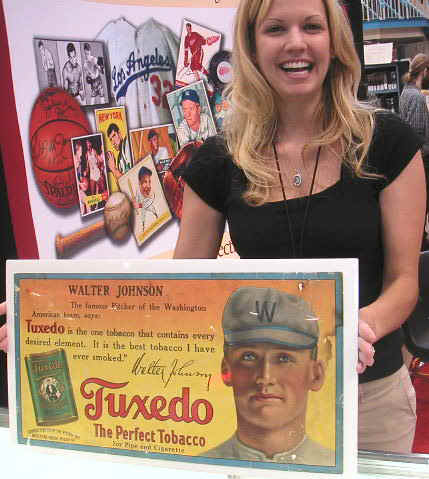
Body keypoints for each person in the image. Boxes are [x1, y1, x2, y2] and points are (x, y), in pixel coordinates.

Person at [174, 0, 426, 454]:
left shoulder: (386, 142)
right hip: (258, 402)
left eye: (312, 27)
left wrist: (357, 328)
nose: (296, 43)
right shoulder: (217, 160)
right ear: (252, 45)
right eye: (275, 29)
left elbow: (404, 282)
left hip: (368, 397)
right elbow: (182, 291)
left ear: (334, 41)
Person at [203, 286, 334, 465]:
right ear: (226, 371)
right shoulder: (198, 468)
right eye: (249, 357)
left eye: (283, 358)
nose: (265, 377)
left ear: (316, 374)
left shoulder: (335, 468)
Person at [399, 53, 429, 248]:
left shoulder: (406, 92)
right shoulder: (417, 97)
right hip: (422, 160)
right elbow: (417, 136)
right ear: (424, 71)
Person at [106, 123, 132, 192]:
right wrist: (113, 170)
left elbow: (131, 182)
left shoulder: (127, 143)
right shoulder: (119, 160)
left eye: (114, 136)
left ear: (119, 134)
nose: (113, 142)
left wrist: (113, 169)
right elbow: (122, 187)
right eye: (111, 139)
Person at [132, 166, 158, 230]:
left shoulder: (151, 191)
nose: (148, 185)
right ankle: (143, 227)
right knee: (143, 217)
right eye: (145, 182)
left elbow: (148, 202)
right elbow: (137, 201)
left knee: (153, 210)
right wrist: (134, 203)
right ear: (140, 183)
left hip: (149, 207)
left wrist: (139, 205)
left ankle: (156, 217)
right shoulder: (138, 191)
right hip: (143, 210)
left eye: (149, 181)